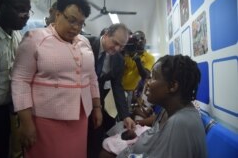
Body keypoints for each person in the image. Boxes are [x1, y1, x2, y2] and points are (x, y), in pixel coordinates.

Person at [11, 0, 102, 158]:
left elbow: (92, 77)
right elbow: (20, 80)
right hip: (46, 120)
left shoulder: (84, 42)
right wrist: (26, 122)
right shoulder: (35, 39)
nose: (76, 27)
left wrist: (97, 107)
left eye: (81, 23)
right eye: (71, 20)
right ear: (57, 14)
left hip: (80, 118)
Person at [101, 54, 207, 158]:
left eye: (154, 77)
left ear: (172, 86)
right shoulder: (166, 111)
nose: (148, 83)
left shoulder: (181, 124)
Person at [0, 0, 31, 157]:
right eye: (20, 10)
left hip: (4, 107)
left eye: (28, 11)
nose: (26, 16)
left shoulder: (14, 31)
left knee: (3, 148)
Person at [87, 24, 136, 158]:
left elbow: (117, 87)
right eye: (115, 43)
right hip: (77, 99)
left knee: (95, 141)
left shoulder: (119, 59)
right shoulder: (86, 44)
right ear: (107, 34)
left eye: (122, 46)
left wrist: (125, 115)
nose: (117, 48)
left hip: (98, 103)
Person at [122, 31, 155, 110]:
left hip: (132, 92)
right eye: (137, 40)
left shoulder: (149, 58)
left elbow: (145, 75)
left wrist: (136, 59)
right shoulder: (126, 53)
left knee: (126, 114)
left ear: (145, 41)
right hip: (118, 89)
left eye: (142, 39)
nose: (140, 41)